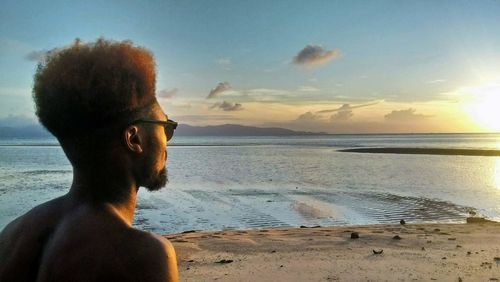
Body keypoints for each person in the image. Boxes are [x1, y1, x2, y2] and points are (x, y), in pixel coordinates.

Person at [0, 38, 179, 281]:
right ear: (134, 139)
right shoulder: (144, 255)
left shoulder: (13, 235)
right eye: (165, 127)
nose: (167, 141)